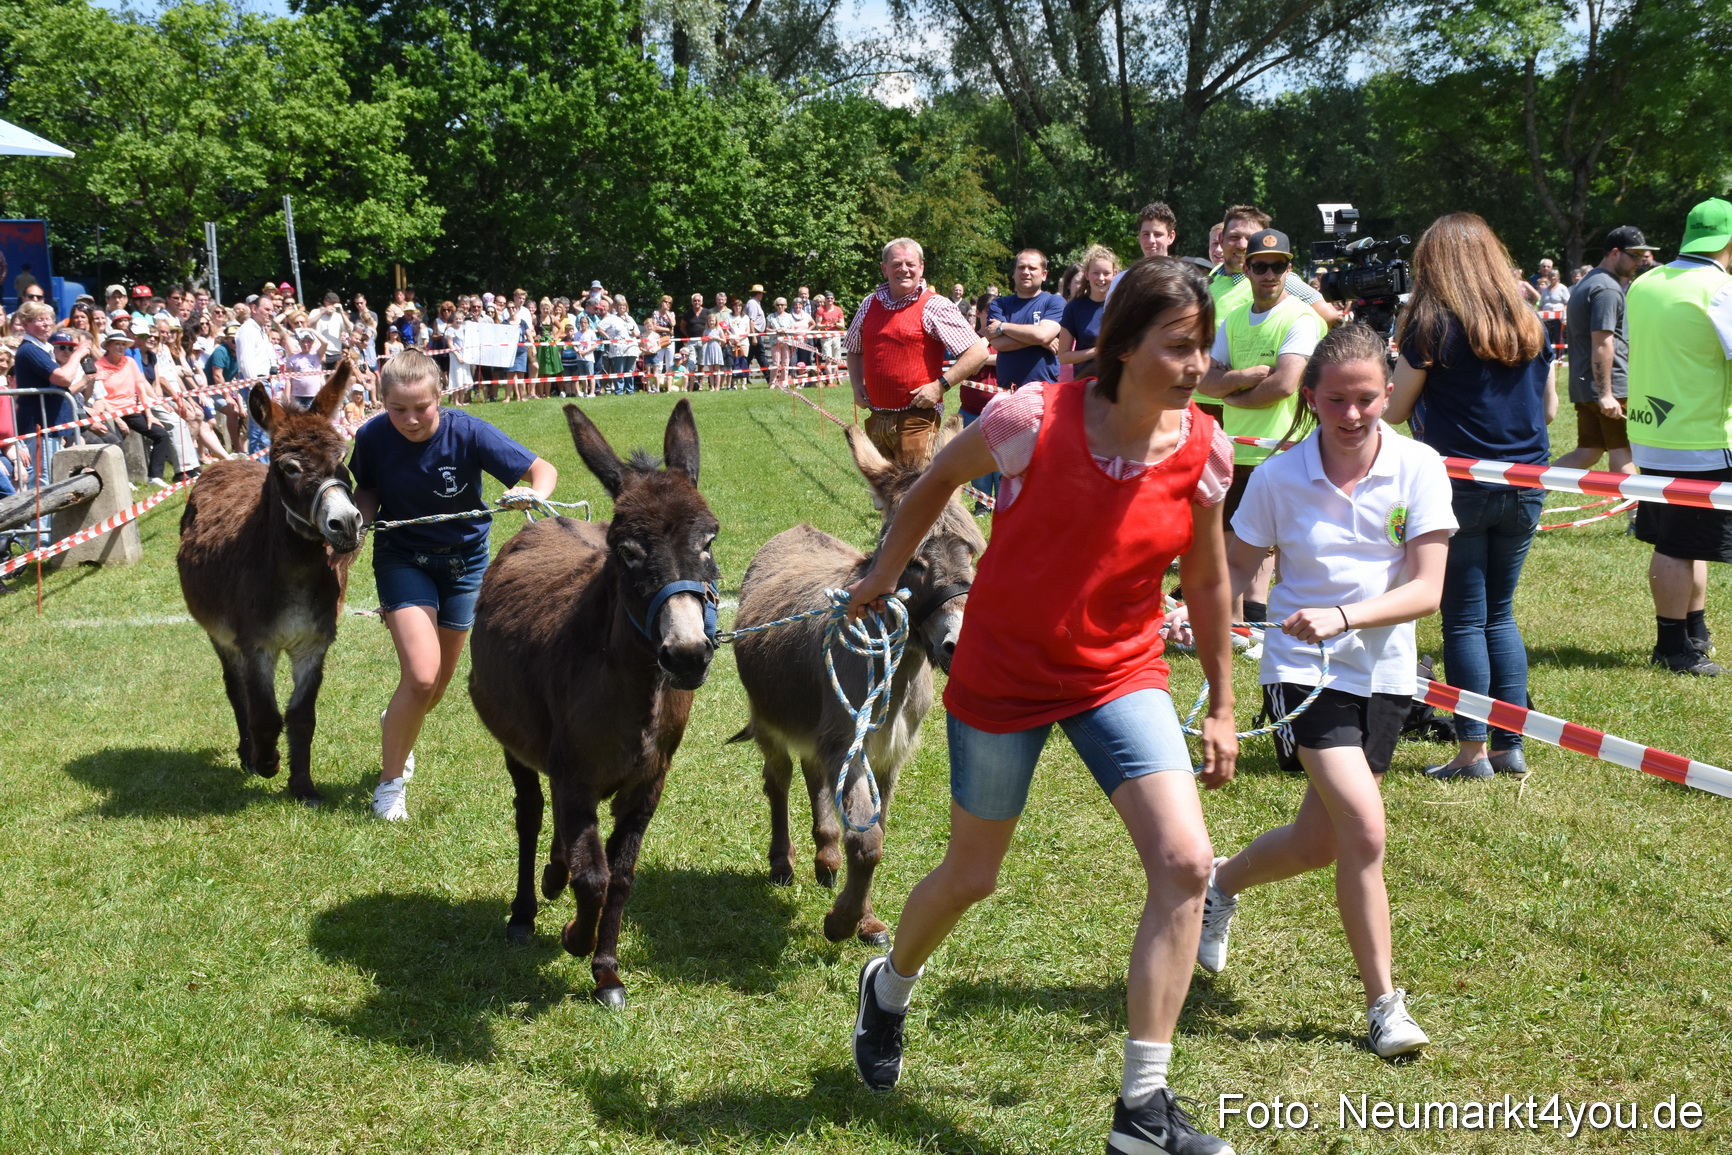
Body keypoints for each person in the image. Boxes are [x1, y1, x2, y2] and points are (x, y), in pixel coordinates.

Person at [843, 257, 1239, 1155]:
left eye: (1203, 347)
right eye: (1179, 347)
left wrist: (1220, 700)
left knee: (1185, 863)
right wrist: (882, 573)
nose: (1195, 365)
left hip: (1120, 673)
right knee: (971, 875)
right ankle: (890, 987)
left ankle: (1142, 1108)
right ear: (1127, 346)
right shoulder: (1032, 418)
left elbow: (1209, 579)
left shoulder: (1204, 448)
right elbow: (937, 478)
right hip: (1004, 673)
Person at [1182, 324, 1455, 1059]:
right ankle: (1383, 1006)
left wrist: (1347, 615)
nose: (1354, 412)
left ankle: (1220, 883)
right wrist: (1200, 618)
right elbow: (1233, 570)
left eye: (1368, 397)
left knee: (1318, 839)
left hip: (1386, 671)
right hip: (1302, 674)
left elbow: (1427, 590)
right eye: (1336, 398)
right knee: (1364, 830)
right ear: (1311, 399)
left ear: (1389, 395)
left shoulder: (1420, 466)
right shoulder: (1276, 478)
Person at [350, 348, 558, 822]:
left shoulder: (469, 431)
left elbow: (541, 470)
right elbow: (366, 488)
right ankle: (390, 783)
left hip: (466, 565)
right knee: (422, 676)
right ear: (381, 402)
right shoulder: (372, 437)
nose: (409, 419)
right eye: (396, 409)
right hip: (403, 558)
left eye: (420, 407)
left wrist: (532, 492)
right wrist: (360, 523)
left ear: (439, 395)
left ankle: (397, 722)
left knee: (435, 686)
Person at [1386, 212, 1557, 777]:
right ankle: (1511, 747)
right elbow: (1550, 410)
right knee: (1500, 616)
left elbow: (1396, 409)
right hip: (1528, 482)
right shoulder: (1528, 320)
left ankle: (1472, 751)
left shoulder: (1430, 325)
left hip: (1459, 485)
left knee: (1463, 617)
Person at [1625, 197, 1732, 677]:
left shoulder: (1645, 282)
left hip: (1651, 431)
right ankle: (1672, 645)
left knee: (1682, 540)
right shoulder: (1719, 288)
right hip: (1702, 435)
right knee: (1678, 543)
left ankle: (1695, 629)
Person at [1200, 228, 1324, 624]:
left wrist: (1231, 390)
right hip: (1236, 452)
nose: (1269, 274)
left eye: (1278, 266)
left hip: (1287, 451)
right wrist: (1247, 376)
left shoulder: (1301, 317)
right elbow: (1206, 380)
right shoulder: (1234, 319)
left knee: (1291, 549)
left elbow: (1285, 383)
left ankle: (1294, 625)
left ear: (1290, 269)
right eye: (1260, 266)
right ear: (1247, 269)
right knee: (1228, 546)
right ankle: (1238, 628)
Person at [846, 239, 992, 464]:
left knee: (913, 493)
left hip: (918, 418)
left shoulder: (936, 305)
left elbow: (977, 352)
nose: (903, 269)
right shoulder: (869, 303)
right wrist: (857, 386)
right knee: (884, 495)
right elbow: (855, 349)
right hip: (877, 417)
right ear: (884, 268)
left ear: (921, 268)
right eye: (896, 264)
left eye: (910, 264)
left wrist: (939, 386)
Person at [1557, 225, 1653, 476]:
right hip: (1609, 387)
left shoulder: (1589, 281)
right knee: (1623, 453)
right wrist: (1606, 394)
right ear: (1614, 252)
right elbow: (1602, 342)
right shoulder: (1608, 289)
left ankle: (1527, 491)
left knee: (1588, 451)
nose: (1639, 262)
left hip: (1585, 386)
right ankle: (1636, 516)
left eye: (1642, 256)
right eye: (1634, 255)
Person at [1212, 205, 1341, 329]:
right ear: (1221, 239)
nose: (1242, 245)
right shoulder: (1213, 277)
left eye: (1251, 239)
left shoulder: (1275, 278)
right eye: (1234, 237)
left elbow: (1328, 315)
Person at [95, 328, 175, 485]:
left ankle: (155, 477)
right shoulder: (99, 366)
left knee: (161, 434)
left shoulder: (130, 362)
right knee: (116, 441)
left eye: (123, 344)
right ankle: (123, 481)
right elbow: (101, 396)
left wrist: (149, 414)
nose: (121, 347)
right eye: (117, 344)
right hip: (110, 411)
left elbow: (141, 388)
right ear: (108, 346)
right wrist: (117, 419)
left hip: (131, 409)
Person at [987, 250, 1066, 390]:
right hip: (1008, 391)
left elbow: (1043, 335)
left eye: (1032, 268)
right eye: (1021, 267)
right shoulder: (999, 304)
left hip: (1043, 391)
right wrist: (1039, 340)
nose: (1026, 272)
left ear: (1044, 275)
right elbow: (999, 344)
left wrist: (1003, 327)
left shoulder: (1055, 302)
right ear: (1013, 273)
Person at [1058, 245, 1118, 380]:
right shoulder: (1074, 308)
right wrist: (1096, 352)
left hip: (1118, 382)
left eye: (1106, 273)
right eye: (1095, 273)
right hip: (1086, 382)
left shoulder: (1122, 305)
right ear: (1086, 274)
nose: (1101, 278)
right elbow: (1063, 356)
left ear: (1115, 274)